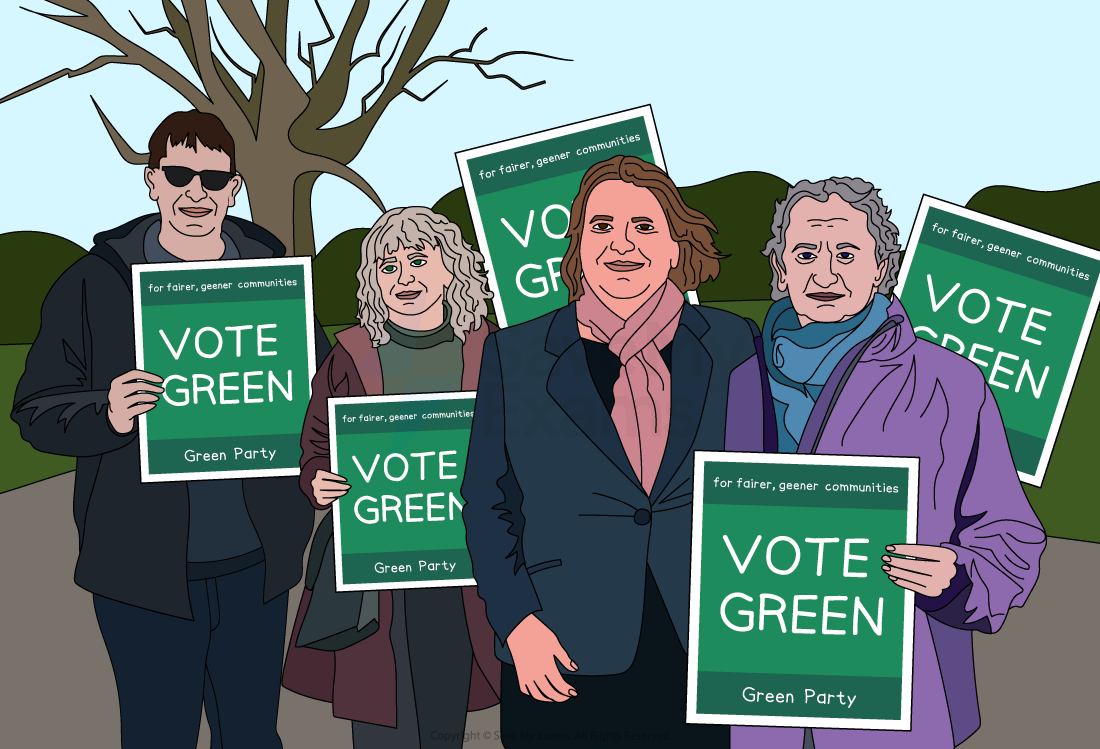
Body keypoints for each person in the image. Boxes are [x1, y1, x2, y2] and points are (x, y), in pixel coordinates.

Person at [11, 110, 331, 747]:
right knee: (158, 733)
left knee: (251, 735)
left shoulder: (272, 275)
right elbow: (35, 410)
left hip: (258, 565)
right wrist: (106, 412)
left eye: (213, 179)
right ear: (152, 181)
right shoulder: (92, 284)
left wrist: (314, 472)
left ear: (234, 188)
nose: (195, 192)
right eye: (179, 174)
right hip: (141, 575)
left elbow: (318, 395)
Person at [461, 155, 771, 748]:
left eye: (643, 226)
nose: (620, 243)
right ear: (578, 246)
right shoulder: (515, 354)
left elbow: (762, 481)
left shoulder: (733, 342)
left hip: (703, 642)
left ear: (676, 248)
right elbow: (487, 502)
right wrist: (518, 623)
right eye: (601, 226)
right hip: (559, 650)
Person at [728, 177, 1046, 748]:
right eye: (806, 254)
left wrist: (956, 577)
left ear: (882, 268)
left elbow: (1011, 535)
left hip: (896, 711)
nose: (825, 275)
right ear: (780, 269)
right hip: (755, 711)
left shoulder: (950, 385)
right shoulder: (733, 378)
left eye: (847, 254)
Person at [281, 206, 502, 748]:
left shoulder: (489, 348)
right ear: (373, 281)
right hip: (375, 574)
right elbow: (316, 441)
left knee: (446, 715)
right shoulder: (352, 354)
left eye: (418, 260)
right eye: (388, 265)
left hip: (461, 571)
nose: (404, 277)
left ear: (451, 268)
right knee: (382, 716)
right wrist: (318, 479)